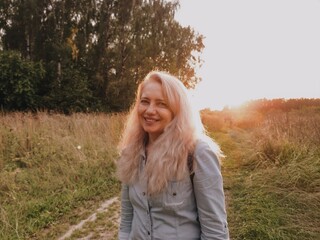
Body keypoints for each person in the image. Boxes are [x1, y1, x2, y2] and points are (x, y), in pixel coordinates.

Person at [117, 71, 229, 240]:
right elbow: (127, 218)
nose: (150, 110)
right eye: (145, 101)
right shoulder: (130, 151)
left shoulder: (197, 154)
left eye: (161, 104)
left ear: (177, 111)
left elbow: (215, 231)